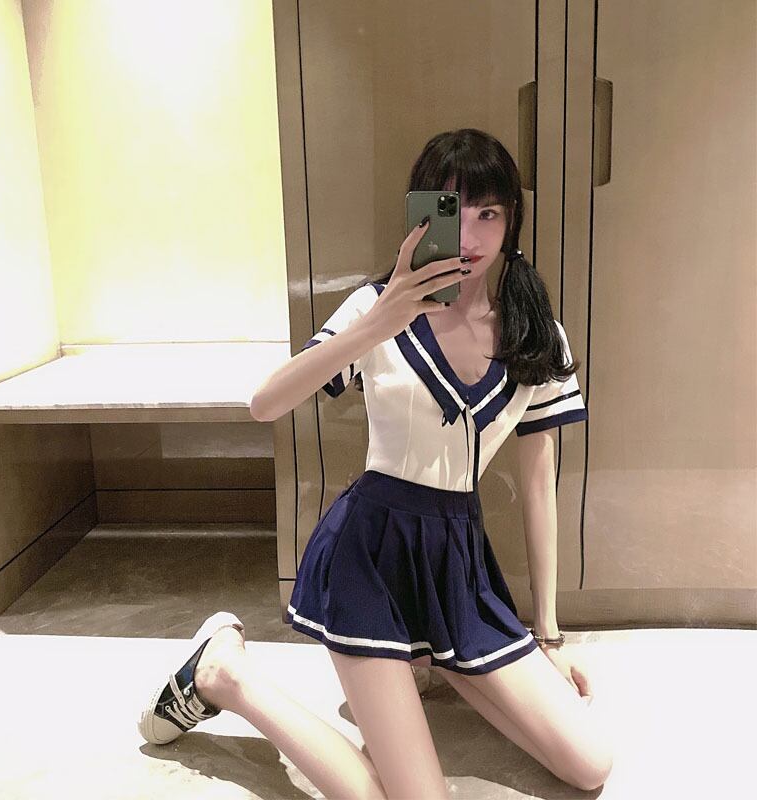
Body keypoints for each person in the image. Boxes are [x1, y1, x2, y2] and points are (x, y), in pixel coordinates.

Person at [137, 129, 614, 798]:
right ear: (421, 217)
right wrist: (380, 320)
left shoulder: (536, 334)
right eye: (451, 210)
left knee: (591, 765)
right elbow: (265, 404)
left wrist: (551, 637)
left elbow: (539, 487)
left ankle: (437, 656)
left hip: (458, 567)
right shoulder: (378, 308)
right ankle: (225, 674)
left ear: (513, 220)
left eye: (489, 212)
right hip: (369, 553)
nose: (470, 234)